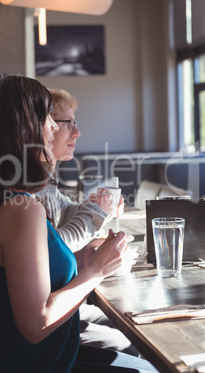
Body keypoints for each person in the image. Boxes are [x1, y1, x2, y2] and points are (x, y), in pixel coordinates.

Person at [0, 74, 158, 372]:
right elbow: (36, 323)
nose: (55, 127)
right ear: (24, 127)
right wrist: (97, 270)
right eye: (47, 118)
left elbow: (12, 280)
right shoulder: (21, 209)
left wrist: (84, 259)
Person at [36, 88, 139, 356]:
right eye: (68, 123)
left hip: (59, 304)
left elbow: (64, 216)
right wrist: (95, 212)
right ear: (43, 128)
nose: (77, 132)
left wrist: (96, 209)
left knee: (129, 331)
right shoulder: (29, 192)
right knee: (131, 341)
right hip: (50, 316)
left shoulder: (45, 182)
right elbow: (55, 244)